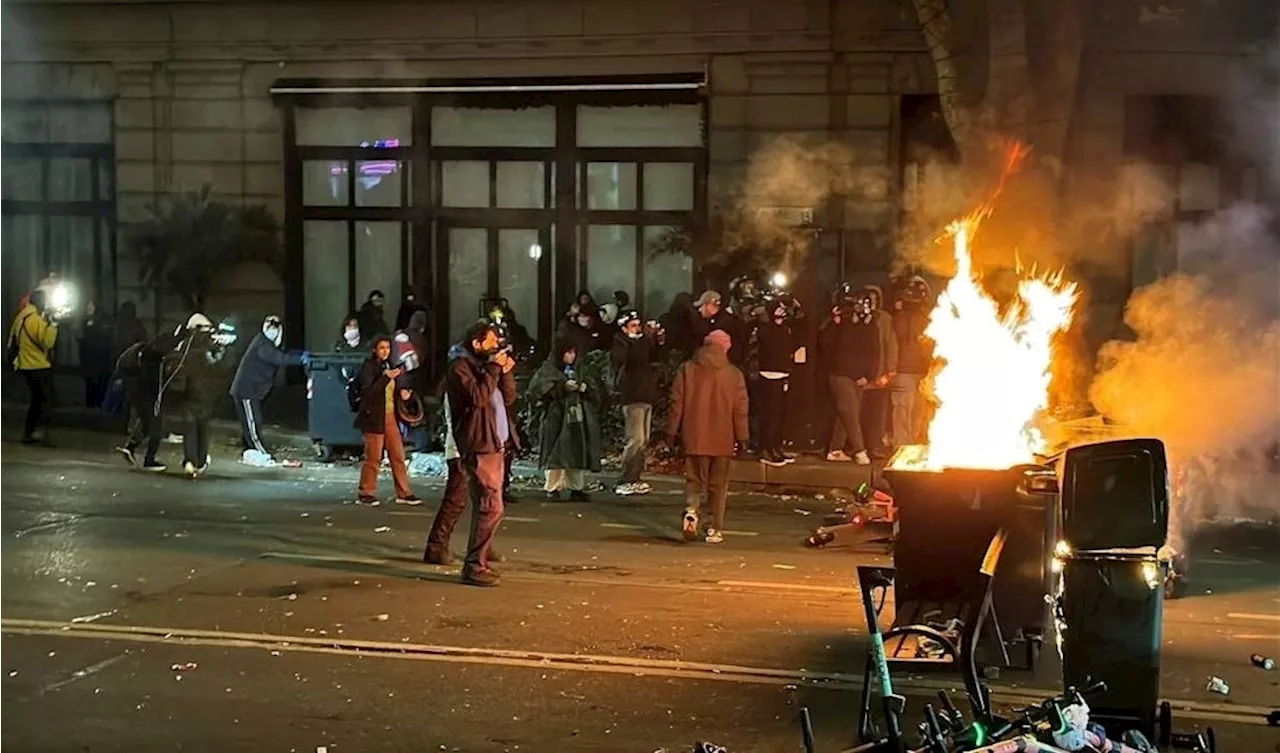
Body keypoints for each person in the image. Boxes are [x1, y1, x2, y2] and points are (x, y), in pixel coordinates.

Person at [440, 320, 517, 587]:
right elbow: (478, 397)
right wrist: (495, 367)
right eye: (491, 342)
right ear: (476, 343)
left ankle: (480, 556)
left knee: (488, 505)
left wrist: (504, 371)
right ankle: (474, 565)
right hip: (478, 444)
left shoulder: (483, 366)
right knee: (491, 504)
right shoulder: (460, 367)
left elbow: (507, 398)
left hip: (494, 443)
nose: (495, 346)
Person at [667, 329, 749, 544]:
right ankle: (714, 528)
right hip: (723, 438)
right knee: (718, 485)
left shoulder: (687, 369)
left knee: (694, 480)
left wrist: (672, 431)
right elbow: (740, 408)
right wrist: (742, 436)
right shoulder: (734, 374)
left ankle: (692, 509)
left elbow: (677, 402)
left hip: (694, 435)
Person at [228, 315, 308, 466]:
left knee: (250, 421)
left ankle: (249, 448)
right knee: (253, 421)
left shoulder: (267, 344)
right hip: (247, 390)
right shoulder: (262, 344)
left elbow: (282, 355)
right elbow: (279, 359)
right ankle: (259, 450)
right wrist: (300, 359)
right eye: (270, 327)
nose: (272, 331)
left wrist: (298, 355)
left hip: (252, 390)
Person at [529, 340, 602, 501]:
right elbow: (538, 390)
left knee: (576, 449)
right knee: (555, 450)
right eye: (568, 353)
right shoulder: (549, 369)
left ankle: (576, 486)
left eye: (573, 353)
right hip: (556, 416)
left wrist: (585, 388)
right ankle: (553, 487)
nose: (571, 356)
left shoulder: (580, 369)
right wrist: (561, 387)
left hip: (576, 415)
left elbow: (594, 388)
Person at [352, 336, 421, 506]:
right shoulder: (369, 367)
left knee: (397, 454)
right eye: (382, 348)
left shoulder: (388, 365)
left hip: (390, 415)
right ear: (375, 349)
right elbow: (369, 392)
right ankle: (366, 491)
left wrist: (402, 393)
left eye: (388, 348)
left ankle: (404, 492)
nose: (385, 351)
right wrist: (385, 378)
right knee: (373, 457)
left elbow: (390, 390)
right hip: (374, 416)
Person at [165, 313, 236, 478]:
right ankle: (200, 461)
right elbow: (222, 368)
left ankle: (189, 461)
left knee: (190, 427)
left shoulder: (184, 344)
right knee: (202, 428)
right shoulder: (210, 345)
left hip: (188, 390)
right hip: (206, 394)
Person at [819, 289, 881, 465]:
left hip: (858, 377)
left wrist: (869, 376)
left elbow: (874, 352)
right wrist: (834, 323)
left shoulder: (871, 325)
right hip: (840, 375)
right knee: (850, 412)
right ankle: (860, 451)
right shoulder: (842, 323)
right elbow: (825, 343)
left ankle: (835, 449)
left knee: (846, 413)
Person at [610, 311, 665, 495]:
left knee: (644, 440)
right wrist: (643, 340)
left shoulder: (642, 342)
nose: (637, 329)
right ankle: (626, 478)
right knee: (635, 439)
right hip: (632, 396)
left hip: (646, 395)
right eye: (633, 325)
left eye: (638, 325)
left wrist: (657, 339)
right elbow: (628, 360)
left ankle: (636, 476)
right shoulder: (621, 343)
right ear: (624, 327)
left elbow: (655, 358)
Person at [116, 324, 184, 470]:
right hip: (147, 394)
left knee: (146, 423)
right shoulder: (153, 354)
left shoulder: (146, 351)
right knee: (156, 426)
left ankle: (131, 447)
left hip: (139, 392)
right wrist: (182, 336)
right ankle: (149, 460)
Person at [754, 295, 802, 467]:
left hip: (782, 375)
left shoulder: (785, 329)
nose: (782, 311)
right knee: (770, 416)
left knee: (780, 415)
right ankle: (766, 449)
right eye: (779, 308)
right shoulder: (765, 329)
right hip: (769, 375)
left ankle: (776, 446)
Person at [8, 289, 60, 445]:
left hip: (25, 363)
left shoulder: (21, 317)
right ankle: (40, 433)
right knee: (45, 399)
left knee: (37, 400)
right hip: (38, 364)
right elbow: (47, 341)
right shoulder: (35, 319)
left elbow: (13, 339)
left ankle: (29, 432)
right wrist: (53, 325)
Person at [892, 276, 934, 446]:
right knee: (905, 411)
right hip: (905, 371)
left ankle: (910, 449)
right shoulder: (899, 319)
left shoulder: (931, 319)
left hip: (921, 372)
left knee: (916, 413)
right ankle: (902, 448)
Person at [862, 284, 899, 458]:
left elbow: (891, 344)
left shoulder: (885, 319)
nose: (872, 302)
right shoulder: (857, 318)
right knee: (860, 414)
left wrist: (890, 370)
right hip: (861, 376)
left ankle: (875, 446)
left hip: (879, 375)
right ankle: (859, 446)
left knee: (878, 414)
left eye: (875, 299)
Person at [78, 301, 114, 410]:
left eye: (91, 306)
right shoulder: (85, 321)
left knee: (98, 381)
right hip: (90, 357)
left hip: (98, 357)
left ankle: (98, 403)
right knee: (91, 382)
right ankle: (92, 404)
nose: (89, 309)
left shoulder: (100, 321)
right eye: (87, 306)